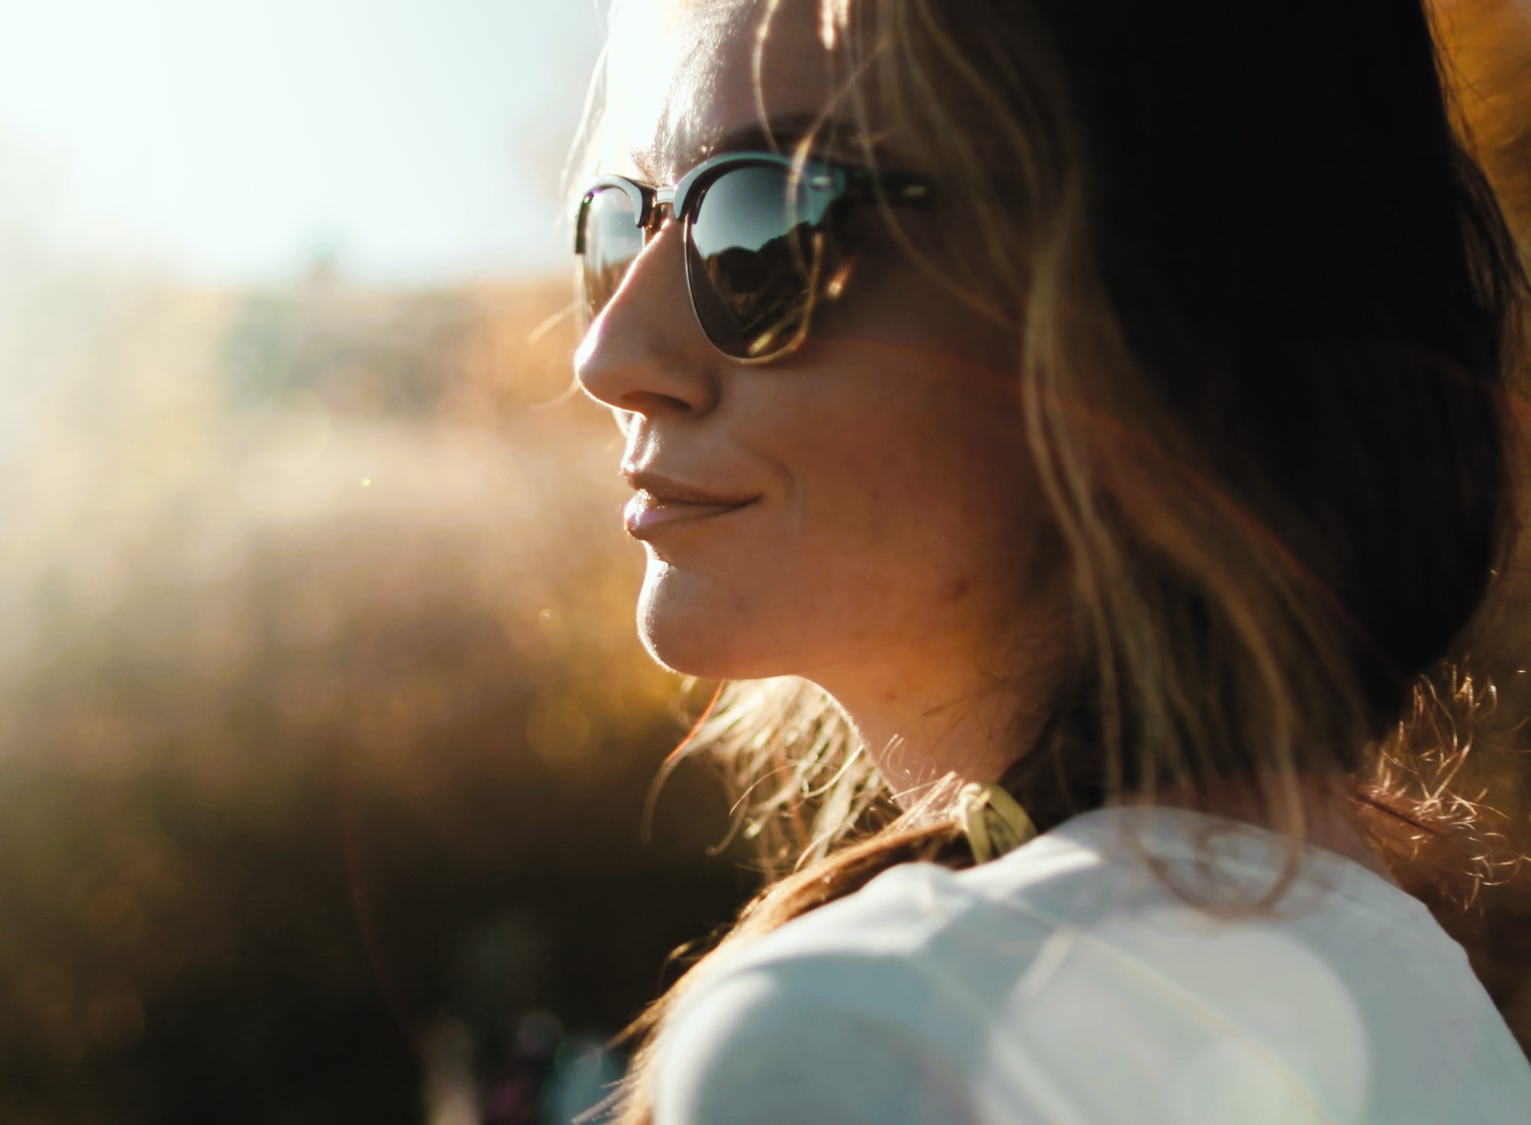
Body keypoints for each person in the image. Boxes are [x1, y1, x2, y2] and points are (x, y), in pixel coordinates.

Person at [568, 0, 1531, 1120]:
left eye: (762, 228)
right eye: (625, 224)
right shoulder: (1433, 1008)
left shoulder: (869, 1039)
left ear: (1148, 299)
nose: (609, 356)